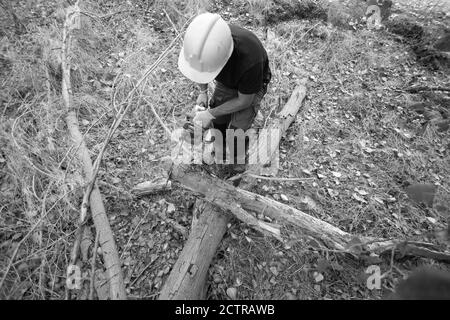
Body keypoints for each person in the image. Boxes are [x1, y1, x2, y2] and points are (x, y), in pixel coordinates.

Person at [178, 12, 271, 172]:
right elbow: (199, 68)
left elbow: (244, 101)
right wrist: (203, 91)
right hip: (227, 80)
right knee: (218, 120)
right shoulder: (205, 43)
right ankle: (219, 151)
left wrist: (209, 114)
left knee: (236, 131)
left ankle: (237, 161)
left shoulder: (250, 59)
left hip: (250, 88)